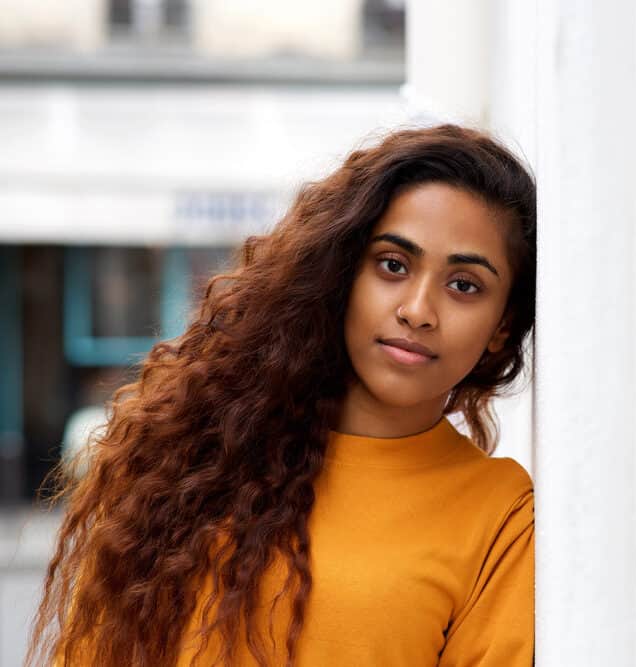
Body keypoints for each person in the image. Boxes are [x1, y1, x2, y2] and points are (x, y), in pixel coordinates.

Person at [28, 124, 537, 667]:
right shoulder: (190, 454)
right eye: (393, 265)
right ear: (342, 273)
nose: (417, 309)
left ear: (501, 327)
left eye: (464, 285)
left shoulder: (500, 514)